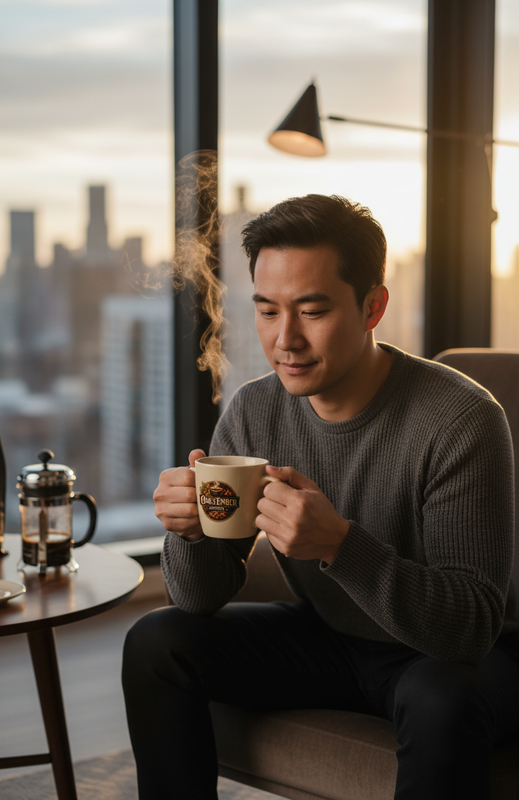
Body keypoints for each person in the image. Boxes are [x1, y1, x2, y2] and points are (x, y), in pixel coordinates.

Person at [122, 194, 519, 800]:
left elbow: (468, 629)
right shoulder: (254, 410)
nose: (286, 340)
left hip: (454, 655)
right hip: (329, 637)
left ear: (372, 306)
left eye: (311, 311)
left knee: (442, 697)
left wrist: (340, 545)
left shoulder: (460, 418)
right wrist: (191, 532)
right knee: (156, 641)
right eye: (267, 310)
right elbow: (199, 599)